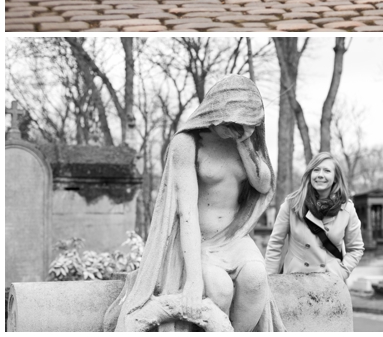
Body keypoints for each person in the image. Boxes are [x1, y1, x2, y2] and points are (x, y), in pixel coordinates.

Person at [103, 75, 283, 332]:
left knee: (256, 279)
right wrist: (193, 280)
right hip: (198, 241)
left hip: (235, 238)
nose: (232, 127)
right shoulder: (187, 143)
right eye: (230, 120)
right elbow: (185, 213)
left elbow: (264, 185)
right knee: (219, 289)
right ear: (216, 110)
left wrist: (245, 143)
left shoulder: (243, 140)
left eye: (242, 122)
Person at [265, 150, 363, 285]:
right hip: (295, 282)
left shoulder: (346, 209)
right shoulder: (292, 204)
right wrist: (270, 281)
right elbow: (275, 243)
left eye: (327, 171)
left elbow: (356, 248)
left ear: (335, 177)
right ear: (310, 174)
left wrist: (341, 272)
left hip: (330, 283)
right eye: (316, 170)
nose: (320, 175)